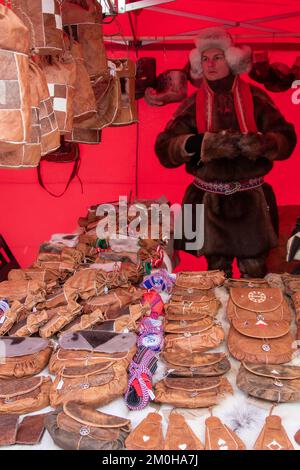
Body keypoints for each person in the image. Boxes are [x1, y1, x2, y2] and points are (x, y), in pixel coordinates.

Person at [155, 27, 297, 278]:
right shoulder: (192, 104)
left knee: (255, 274)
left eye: (217, 58)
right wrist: (198, 144)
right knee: (216, 275)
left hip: (250, 202)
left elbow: (286, 138)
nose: (210, 64)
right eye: (205, 59)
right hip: (209, 202)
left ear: (231, 60)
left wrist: (262, 144)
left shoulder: (255, 97)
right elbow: (164, 148)